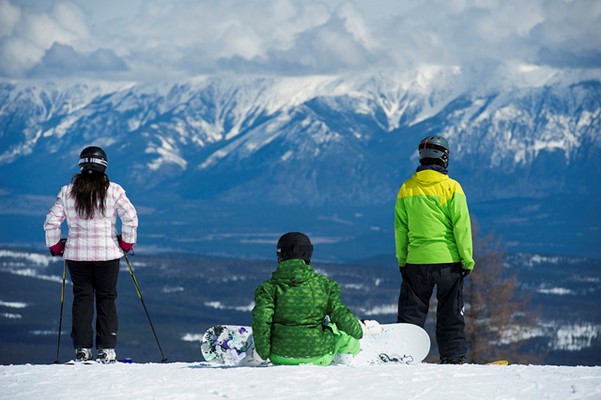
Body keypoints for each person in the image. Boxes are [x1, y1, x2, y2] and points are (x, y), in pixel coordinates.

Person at [44, 146, 138, 363]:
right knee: (107, 298)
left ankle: (82, 349)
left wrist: (56, 247)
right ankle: (106, 349)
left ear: (81, 164)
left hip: (76, 256)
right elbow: (131, 217)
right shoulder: (114, 191)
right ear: (104, 165)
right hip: (108, 254)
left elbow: (51, 222)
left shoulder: (68, 192)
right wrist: (125, 243)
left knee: (82, 298)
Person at [394, 135, 475, 364]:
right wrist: (467, 260)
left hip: (416, 262)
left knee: (411, 313)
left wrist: (403, 259)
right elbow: (461, 227)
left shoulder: (406, 189)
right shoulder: (452, 188)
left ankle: (403, 355)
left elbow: (401, 229)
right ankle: (453, 357)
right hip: (449, 263)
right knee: (451, 313)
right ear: (444, 158)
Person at [251, 232, 369, 366]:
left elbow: (262, 319)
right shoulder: (325, 285)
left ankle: (254, 357)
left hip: (279, 357)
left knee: (267, 329)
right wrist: (359, 331)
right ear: (308, 255)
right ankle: (344, 359)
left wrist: (262, 354)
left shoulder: (268, 288)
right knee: (341, 330)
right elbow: (340, 314)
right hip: (318, 357)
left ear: (280, 255)